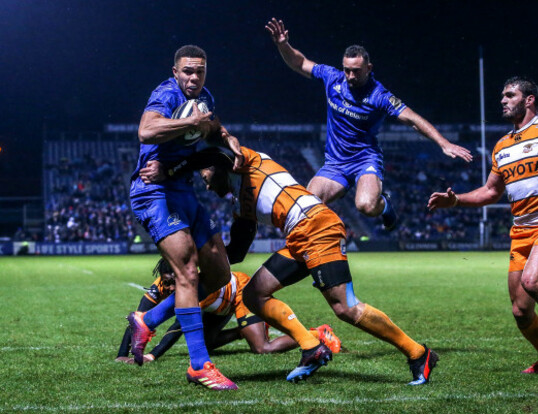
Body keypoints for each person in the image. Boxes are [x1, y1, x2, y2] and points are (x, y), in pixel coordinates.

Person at [139, 145, 438, 386]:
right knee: (254, 294)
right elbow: (237, 252)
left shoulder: (244, 161)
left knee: (345, 307)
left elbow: (215, 152)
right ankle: (311, 346)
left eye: (204, 173)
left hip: (317, 228)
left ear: (216, 166)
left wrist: (174, 167)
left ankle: (418, 354)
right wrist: (197, 266)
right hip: (299, 236)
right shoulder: (239, 204)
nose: (204, 183)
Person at [427, 76, 538, 374]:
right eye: (503, 96)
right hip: (520, 231)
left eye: (510, 95)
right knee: (520, 310)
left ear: (529, 99)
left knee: (533, 282)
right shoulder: (502, 146)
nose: (503, 101)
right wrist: (454, 201)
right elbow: (490, 192)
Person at [265, 17, 472, 231]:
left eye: (356, 71)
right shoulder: (332, 79)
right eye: (347, 70)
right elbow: (300, 63)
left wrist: (443, 143)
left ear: (369, 68)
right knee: (307, 203)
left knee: (366, 205)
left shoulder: (379, 95)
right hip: (335, 163)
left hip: (365, 160)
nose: (350, 76)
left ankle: (385, 206)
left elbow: (412, 118)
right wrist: (283, 44)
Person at [128, 44, 243, 391]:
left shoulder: (205, 96)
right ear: (175, 71)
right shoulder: (164, 94)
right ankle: (199, 365)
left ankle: (147, 320)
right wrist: (190, 121)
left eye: (200, 71)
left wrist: (229, 139)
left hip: (183, 190)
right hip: (155, 192)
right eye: (188, 71)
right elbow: (146, 131)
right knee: (187, 270)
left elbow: (214, 126)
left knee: (221, 274)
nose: (194, 77)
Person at [116, 258, 341, 364]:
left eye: (175, 281)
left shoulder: (195, 287)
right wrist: (121, 355)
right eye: (168, 282)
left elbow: (178, 326)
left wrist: (152, 355)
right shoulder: (161, 286)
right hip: (218, 308)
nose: (173, 288)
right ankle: (243, 330)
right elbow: (138, 319)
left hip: (239, 294)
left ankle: (317, 334)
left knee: (262, 348)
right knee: (209, 344)